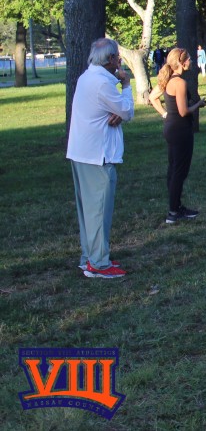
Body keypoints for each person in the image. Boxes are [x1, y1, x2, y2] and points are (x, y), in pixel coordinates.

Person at [67, 38, 134, 278]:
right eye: (117, 57)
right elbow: (127, 111)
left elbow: (115, 110)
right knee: (99, 210)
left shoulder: (87, 77)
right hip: (97, 155)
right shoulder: (103, 83)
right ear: (110, 59)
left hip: (81, 152)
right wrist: (126, 85)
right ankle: (99, 264)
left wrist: (117, 111)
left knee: (88, 211)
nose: (119, 61)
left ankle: (89, 256)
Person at [149, 48, 206, 224]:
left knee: (174, 168)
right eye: (189, 59)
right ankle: (173, 212)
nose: (191, 61)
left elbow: (152, 97)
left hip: (171, 127)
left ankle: (176, 206)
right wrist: (198, 104)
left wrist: (165, 114)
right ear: (182, 62)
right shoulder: (179, 82)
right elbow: (183, 111)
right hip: (180, 129)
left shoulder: (167, 79)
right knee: (179, 171)